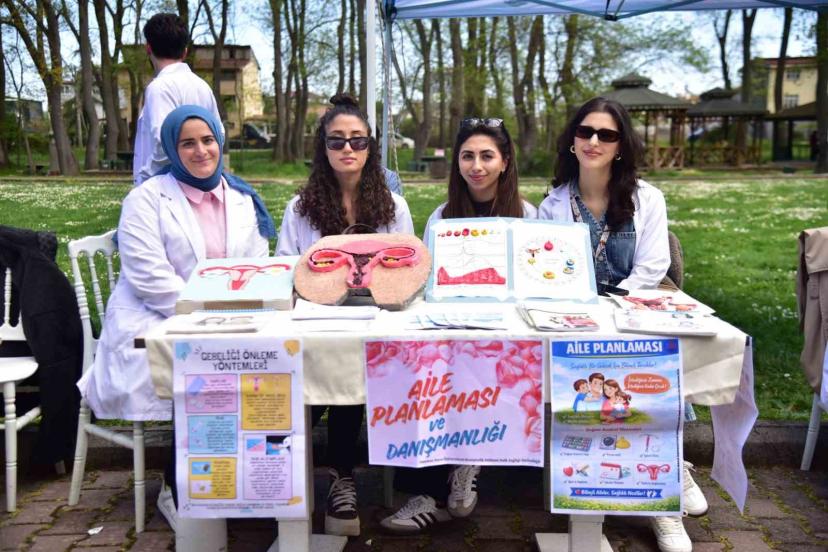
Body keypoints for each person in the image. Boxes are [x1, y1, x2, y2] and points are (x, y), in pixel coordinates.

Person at [77, 105, 275, 531]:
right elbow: (149, 278)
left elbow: (257, 265)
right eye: (188, 143)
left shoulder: (241, 198)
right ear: (172, 148)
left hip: (228, 318)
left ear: (220, 141)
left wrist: (234, 310)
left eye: (207, 140)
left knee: (267, 363)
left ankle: (246, 478)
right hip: (156, 318)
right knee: (202, 365)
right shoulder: (146, 199)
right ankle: (177, 485)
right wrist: (208, 314)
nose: (201, 151)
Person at [538, 97, 705, 552]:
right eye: (585, 131)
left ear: (620, 146)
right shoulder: (553, 204)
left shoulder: (647, 198)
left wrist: (612, 307)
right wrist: (584, 311)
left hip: (633, 306)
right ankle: (608, 500)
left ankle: (664, 500)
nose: (593, 141)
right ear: (572, 140)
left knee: (644, 370)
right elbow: (549, 272)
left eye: (606, 134)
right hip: (576, 314)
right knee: (592, 385)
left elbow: (653, 266)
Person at [381, 117, 537, 534]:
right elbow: (428, 281)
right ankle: (425, 490)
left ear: (505, 161)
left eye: (487, 156)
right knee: (421, 369)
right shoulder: (442, 216)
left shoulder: (527, 215)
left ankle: (469, 459)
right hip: (451, 324)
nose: (477, 166)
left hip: (508, 333)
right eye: (467, 156)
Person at [276, 94, 414, 537]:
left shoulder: (393, 207)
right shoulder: (300, 209)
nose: (348, 149)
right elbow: (287, 269)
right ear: (324, 148)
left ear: (371, 147)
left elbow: (408, 273)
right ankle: (316, 474)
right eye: (337, 141)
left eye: (358, 140)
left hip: (377, 323)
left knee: (354, 359)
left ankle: (338, 475)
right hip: (315, 324)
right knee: (329, 362)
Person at [133, 13, 222, 186]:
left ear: (148, 48)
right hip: (199, 184)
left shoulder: (159, 88)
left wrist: (144, 181)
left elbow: (163, 146)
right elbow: (219, 135)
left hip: (165, 188)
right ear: (185, 51)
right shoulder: (202, 86)